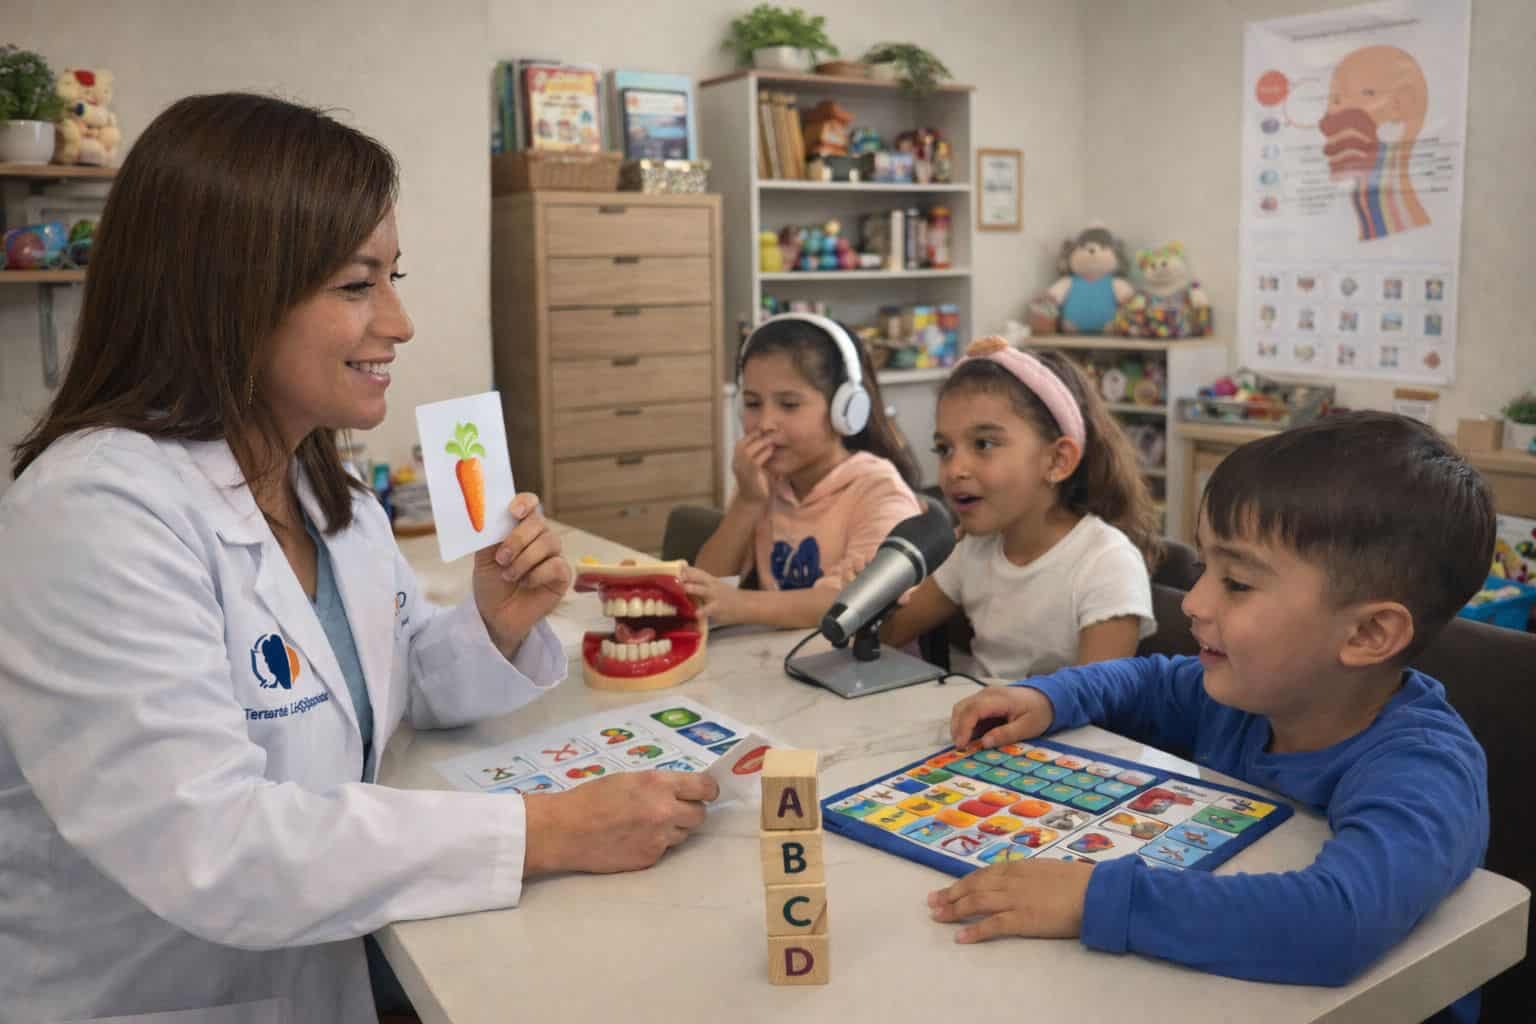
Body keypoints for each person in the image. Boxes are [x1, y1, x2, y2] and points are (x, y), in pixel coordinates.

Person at [0, 93, 717, 1024]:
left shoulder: (316, 485)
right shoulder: (94, 512)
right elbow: (209, 843)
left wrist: (494, 618)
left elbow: (391, 686)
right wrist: (546, 828)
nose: (401, 322)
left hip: (326, 965)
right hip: (153, 992)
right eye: (357, 284)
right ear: (229, 293)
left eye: (394, 277)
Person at [932, 412, 1492, 1024]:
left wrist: (1096, 897)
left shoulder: (1425, 766)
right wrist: (1048, 699)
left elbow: (1334, 922)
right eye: (1203, 570)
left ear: (1368, 633)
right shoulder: (1247, 692)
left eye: (1239, 584)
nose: (1194, 603)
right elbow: (1145, 681)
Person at [877, 336, 1160, 678]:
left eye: (983, 444)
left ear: (1058, 460)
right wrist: (880, 586)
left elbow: (1096, 699)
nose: (954, 469)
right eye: (944, 449)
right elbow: (887, 636)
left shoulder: (1106, 563)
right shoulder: (971, 549)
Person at [683, 313, 923, 628]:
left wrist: (741, 604)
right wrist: (747, 503)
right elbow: (704, 591)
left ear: (846, 409)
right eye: (753, 404)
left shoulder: (879, 491)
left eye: (789, 405)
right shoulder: (764, 482)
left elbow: (853, 601)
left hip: (864, 669)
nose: (766, 423)